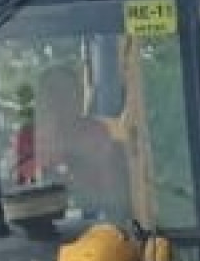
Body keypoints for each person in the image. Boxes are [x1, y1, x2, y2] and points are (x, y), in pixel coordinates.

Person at [30, 65, 132, 218]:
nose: (58, 102)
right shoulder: (28, 142)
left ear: (79, 98)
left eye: (66, 94)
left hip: (96, 224)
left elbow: (117, 200)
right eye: (52, 93)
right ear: (40, 101)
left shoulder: (99, 133)